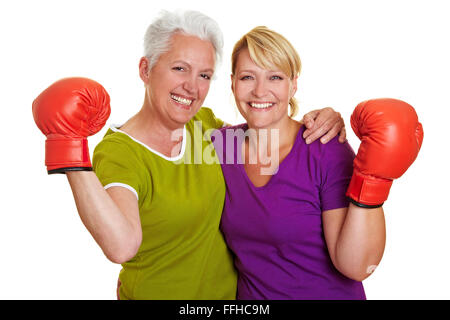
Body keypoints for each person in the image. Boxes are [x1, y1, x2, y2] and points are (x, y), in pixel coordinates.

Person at [32, 11, 347, 300]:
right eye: (179, 68)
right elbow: (122, 245)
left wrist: (321, 120)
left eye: (205, 75)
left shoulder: (206, 130)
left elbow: (269, 138)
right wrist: (70, 152)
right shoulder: (120, 152)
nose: (191, 87)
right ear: (146, 69)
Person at [213, 26, 423, 299]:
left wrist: (374, 182)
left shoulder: (323, 148)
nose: (260, 90)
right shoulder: (219, 147)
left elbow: (357, 266)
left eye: (275, 77)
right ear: (232, 83)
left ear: (293, 84)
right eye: (247, 77)